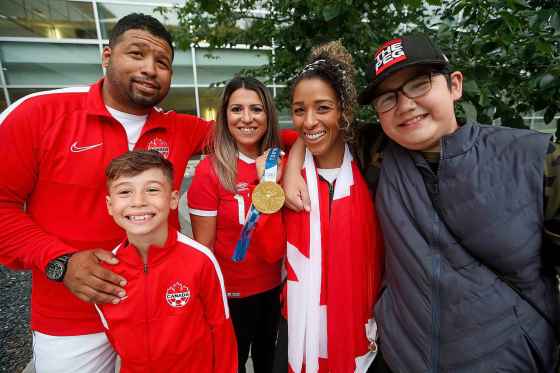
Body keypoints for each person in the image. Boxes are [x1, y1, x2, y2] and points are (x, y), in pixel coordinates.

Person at [284, 34, 560, 372]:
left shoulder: (536, 159)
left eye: (418, 84)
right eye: (387, 98)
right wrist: (291, 168)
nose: (405, 105)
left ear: (454, 85)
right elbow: (317, 127)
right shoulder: (378, 153)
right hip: (401, 358)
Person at [0, 13, 210, 372]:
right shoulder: (39, 114)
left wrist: (306, 147)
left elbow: (249, 135)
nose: (150, 68)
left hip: (160, 311)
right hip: (72, 321)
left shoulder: (178, 128)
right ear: (107, 56)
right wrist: (60, 261)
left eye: (162, 62)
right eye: (137, 54)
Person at [270, 41, 385, 373]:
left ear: (344, 111)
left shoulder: (373, 165)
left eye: (322, 108)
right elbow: (266, 253)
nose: (308, 121)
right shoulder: (280, 178)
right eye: (299, 109)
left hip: (359, 324)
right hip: (297, 324)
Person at [95, 150, 237, 372]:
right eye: (125, 192)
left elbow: (222, 332)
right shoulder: (105, 273)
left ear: (172, 199)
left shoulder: (200, 260)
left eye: (152, 190)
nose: (139, 202)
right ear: (109, 205)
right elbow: (114, 336)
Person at [187, 76, 288, 373]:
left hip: (275, 287)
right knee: (233, 363)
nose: (247, 118)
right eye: (237, 110)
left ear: (268, 115)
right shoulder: (211, 170)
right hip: (232, 296)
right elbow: (203, 248)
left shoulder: (280, 159)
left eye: (256, 109)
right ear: (224, 115)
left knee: (269, 360)